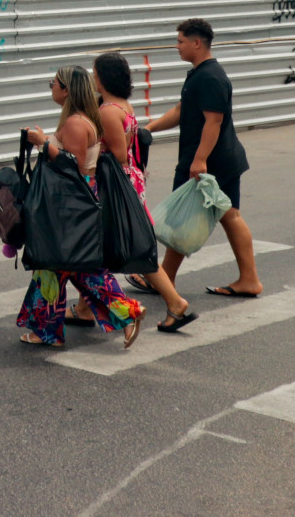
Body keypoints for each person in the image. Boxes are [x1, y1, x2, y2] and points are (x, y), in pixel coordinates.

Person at [16, 66, 144, 349]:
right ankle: (123, 312)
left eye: (55, 83)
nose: (52, 86)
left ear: (67, 90)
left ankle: (48, 331)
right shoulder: (82, 118)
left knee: (54, 263)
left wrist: (42, 144)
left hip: (70, 206)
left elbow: (72, 165)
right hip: (75, 203)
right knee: (71, 266)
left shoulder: (76, 122)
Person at [145, 18, 262, 300]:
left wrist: (199, 161)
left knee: (185, 218)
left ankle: (165, 279)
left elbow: (214, 121)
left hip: (211, 163)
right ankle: (248, 279)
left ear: (197, 43)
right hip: (219, 160)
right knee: (228, 215)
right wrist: (147, 129)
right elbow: (181, 110)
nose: (177, 47)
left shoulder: (210, 76)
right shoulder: (199, 74)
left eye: (180, 41)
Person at [85, 52, 195, 334]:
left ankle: (175, 302)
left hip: (116, 187)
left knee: (130, 248)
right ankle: (86, 307)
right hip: (131, 182)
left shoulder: (107, 111)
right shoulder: (123, 105)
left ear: (103, 77)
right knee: (111, 247)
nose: (92, 78)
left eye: (95, 73)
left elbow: (120, 154)